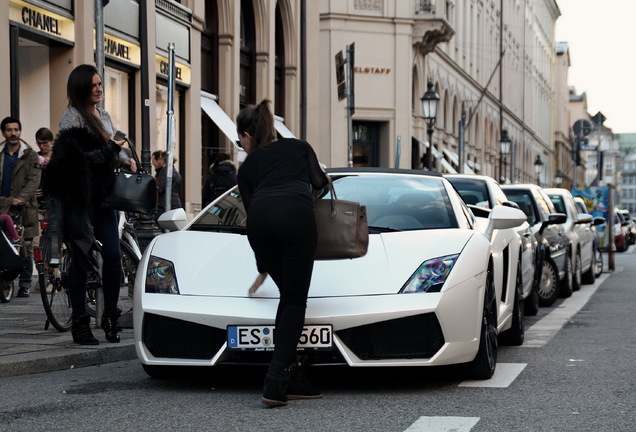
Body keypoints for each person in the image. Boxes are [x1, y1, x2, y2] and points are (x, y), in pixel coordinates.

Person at [236, 99, 328, 407]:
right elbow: (320, 183)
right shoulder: (299, 147)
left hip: (261, 226)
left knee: (287, 297)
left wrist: (262, 264)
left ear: (248, 136)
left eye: (240, 140)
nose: (241, 145)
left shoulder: (247, 167)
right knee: (293, 301)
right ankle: (276, 381)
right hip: (296, 219)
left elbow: (252, 215)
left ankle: (290, 375)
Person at [44, 64, 125, 345]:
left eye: (100, 84)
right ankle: (80, 322)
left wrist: (125, 156)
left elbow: (110, 154)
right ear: (81, 88)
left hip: (103, 197)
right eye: (93, 85)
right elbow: (77, 160)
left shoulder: (103, 115)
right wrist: (112, 148)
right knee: (81, 258)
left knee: (113, 257)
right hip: (79, 198)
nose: (99, 89)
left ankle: (111, 317)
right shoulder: (71, 118)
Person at [0, 116, 41, 297]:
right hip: (3, 206)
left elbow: (34, 180)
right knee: (5, 245)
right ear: (3, 133)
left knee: (26, 246)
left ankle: (24, 284)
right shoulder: (1, 154)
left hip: (25, 207)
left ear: (20, 131)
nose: (13, 133)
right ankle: (5, 281)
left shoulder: (30, 154)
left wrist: (21, 198)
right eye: (9, 130)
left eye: (16, 129)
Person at [151, 150, 183, 221]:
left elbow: (160, 187)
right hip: (175, 203)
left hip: (165, 204)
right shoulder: (175, 172)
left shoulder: (165, 171)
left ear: (163, 160)